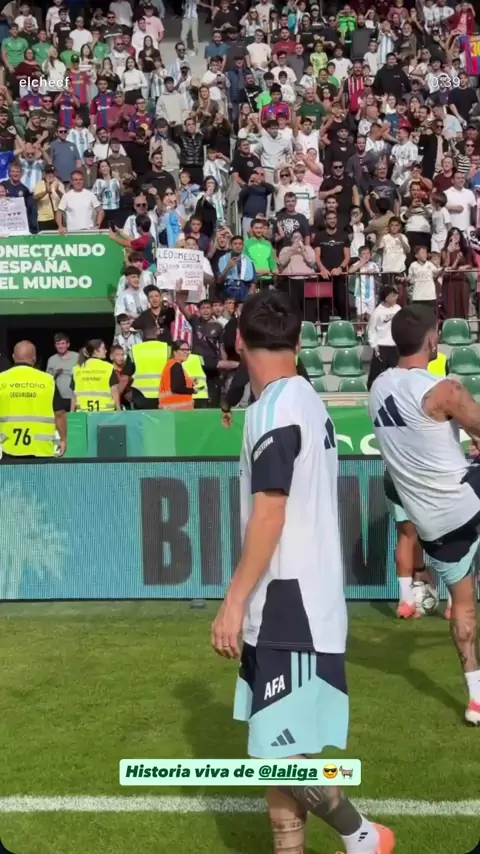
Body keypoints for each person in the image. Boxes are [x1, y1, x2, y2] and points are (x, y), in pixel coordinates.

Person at [212, 289, 395, 854]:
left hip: (288, 608)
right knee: (279, 754)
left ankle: (362, 835)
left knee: (280, 757)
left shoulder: (272, 410)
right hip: (297, 605)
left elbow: (270, 511)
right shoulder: (306, 399)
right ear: (296, 341)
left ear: (239, 343)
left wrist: (233, 600)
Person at [369, 304, 480, 723]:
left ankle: (476, 699)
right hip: (466, 499)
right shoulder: (443, 389)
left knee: (464, 607)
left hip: (433, 524)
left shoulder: (377, 388)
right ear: (432, 341)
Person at [0, 339, 66, 459]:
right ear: (34, 358)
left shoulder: (2, 379)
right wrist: (63, 439)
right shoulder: (47, 380)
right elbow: (59, 414)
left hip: (10, 447)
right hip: (41, 449)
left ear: (13, 357)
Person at [71, 339, 120, 412]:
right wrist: (119, 410)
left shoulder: (77, 368)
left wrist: (71, 412)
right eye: (103, 348)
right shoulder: (108, 367)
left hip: (83, 413)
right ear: (96, 351)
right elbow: (114, 391)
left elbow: (73, 394)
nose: (106, 351)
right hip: (105, 413)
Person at [129, 331, 169, 410]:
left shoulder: (135, 349)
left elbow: (125, 377)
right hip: (164, 395)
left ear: (142, 334)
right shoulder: (167, 348)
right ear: (157, 333)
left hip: (141, 396)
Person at [158, 339, 198, 410]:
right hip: (177, 408)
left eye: (188, 350)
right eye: (183, 350)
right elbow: (176, 388)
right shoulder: (176, 366)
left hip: (171, 407)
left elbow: (174, 384)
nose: (186, 352)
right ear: (175, 352)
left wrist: (191, 382)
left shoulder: (171, 364)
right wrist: (192, 390)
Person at [46, 332, 78, 412]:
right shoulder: (51, 360)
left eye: (63, 343)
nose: (60, 346)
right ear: (55, 345)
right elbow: (47, 380)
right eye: (58, 344)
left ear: (68, 344)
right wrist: (55, 373)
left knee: (73, 419)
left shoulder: (77, 357)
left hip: (75, 397)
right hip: (58, 399)